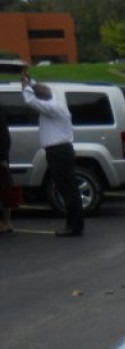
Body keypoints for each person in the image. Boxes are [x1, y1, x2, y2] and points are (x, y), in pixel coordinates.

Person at [21, 71, 83, 236]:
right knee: (68, 187)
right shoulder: (55, 102)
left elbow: (31, 101)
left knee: (67, 188)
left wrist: (26, 87)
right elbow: (42, 92)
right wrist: (30, 82)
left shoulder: (52, 108)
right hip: (61, 150)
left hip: (58, 151)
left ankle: (74, 226)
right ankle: (75, 224)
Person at [0, 105, 13, 234]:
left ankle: (7, 222)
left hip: (1, 158)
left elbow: (4, 138)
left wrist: (3, 158)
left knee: (4, 191)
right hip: (3, 157)